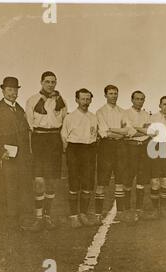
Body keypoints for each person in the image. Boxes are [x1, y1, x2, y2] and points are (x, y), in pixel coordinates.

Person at [25, 71, 67, 232]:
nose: (51, 84)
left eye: (53, 82)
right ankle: (38, 218)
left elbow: (63, 121)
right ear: (41, 82)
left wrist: (62, 144)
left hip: (54, 140)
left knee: (51, 181)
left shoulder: (61, 101)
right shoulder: (32, 100)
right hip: (39, 140)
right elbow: (30, 123)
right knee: (39, 180)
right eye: (48, 81)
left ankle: (47, 217)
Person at [0, 77, 32, 231]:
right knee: (8, 187)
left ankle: (19, 220)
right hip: (7, 156)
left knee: (21, 186)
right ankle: (10, 221)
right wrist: (0, 151)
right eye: (9, 90)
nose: (13, 93)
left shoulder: (20, 109)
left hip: (22, 155)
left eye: (15, 90)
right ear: (3, 91)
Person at [95, 85, 135, 225]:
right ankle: (98, 213)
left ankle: (121, 213)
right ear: (105, 95)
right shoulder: (100, 112)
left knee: (120, 180)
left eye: (115, 93)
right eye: (111, 93)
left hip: (120, 147)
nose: (113, 96)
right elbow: (104, 132)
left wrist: (113, 129)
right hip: (106, 147)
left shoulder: (122, 111)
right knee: (102, 180)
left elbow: (130, 131)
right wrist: (120, 130)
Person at [61, 88, 98, 228]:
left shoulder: (93, 117)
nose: (85, 102)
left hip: (89, 149)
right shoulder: (70, 117)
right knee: (74, 183)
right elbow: (64, 136)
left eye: (88, 99)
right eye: (82, 99)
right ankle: (73, 216)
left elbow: (94, 134)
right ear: (77, 100)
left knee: (88, 183)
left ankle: (83, 213)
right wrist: (69, 151)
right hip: (74, 149)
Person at [121, 91, 152, 222]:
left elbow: (149, 131)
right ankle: (127, 210)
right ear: (132, 100)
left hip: (144, 147)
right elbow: (129, 132)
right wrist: (140, 130)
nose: (139, 101)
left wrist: (136, 128)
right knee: (128, 178)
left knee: (141, 179)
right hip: (131, 147)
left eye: (142, 99)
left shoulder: (146, 114)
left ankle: (139, 210)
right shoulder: (125, 113)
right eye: (137, 99)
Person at [147, 96, 166, 220]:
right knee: (155, 180)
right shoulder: (152, 117)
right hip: (155, 147)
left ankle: (163, 208)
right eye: (164, 104)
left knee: (165, 180)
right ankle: (155, 209)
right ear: (160, 105)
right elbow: (148, 134)